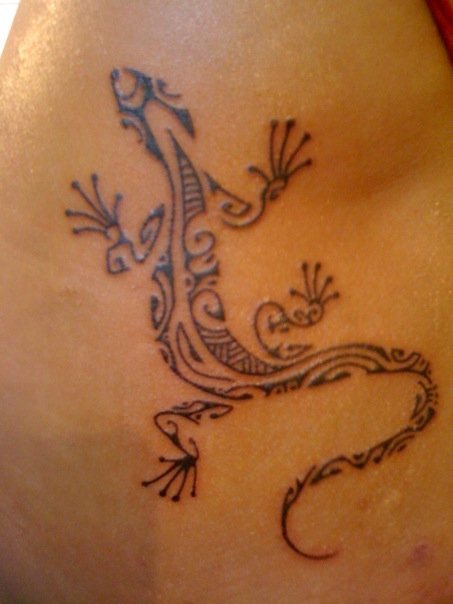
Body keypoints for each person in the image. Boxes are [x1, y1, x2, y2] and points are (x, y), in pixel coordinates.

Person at [0, 1, 452, 602]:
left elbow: (130, 255)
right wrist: (273, 180)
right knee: (266, 334)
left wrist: (110, 225)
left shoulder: (164, 218)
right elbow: (243, 211)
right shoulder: (206, 198)